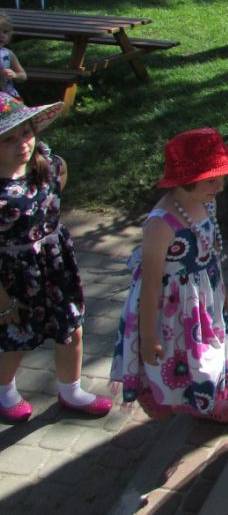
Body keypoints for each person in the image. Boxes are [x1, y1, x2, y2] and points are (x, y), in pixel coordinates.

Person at [110, 128, 228, 422]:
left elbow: (211, 250)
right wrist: (148, 337)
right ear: (186, 180)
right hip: (171, 308)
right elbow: (150, 286)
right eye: (211, 180)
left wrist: (222, 288)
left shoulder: (206, 202)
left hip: (203, 297)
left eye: (222, 178)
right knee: (179, 356)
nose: (220, 187)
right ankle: (170, 400)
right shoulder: (161, 223)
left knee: (205, 353)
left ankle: (206, 401)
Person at [0, 93, 113, 423]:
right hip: (14, 275)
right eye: (8, 139)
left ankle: (71, 390)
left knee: (71, 327)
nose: (22, 143)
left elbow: (60, 177)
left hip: (54, 264)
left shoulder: (45, 162)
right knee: (18, 338)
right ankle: (4, 392)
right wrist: (3, 302)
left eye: (26, 132)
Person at [0, 13, 26, 98]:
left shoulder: (8, 54)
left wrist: (15, 75)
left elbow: (23, 75)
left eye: (5, 32)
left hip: (7, 96)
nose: (2, 35)